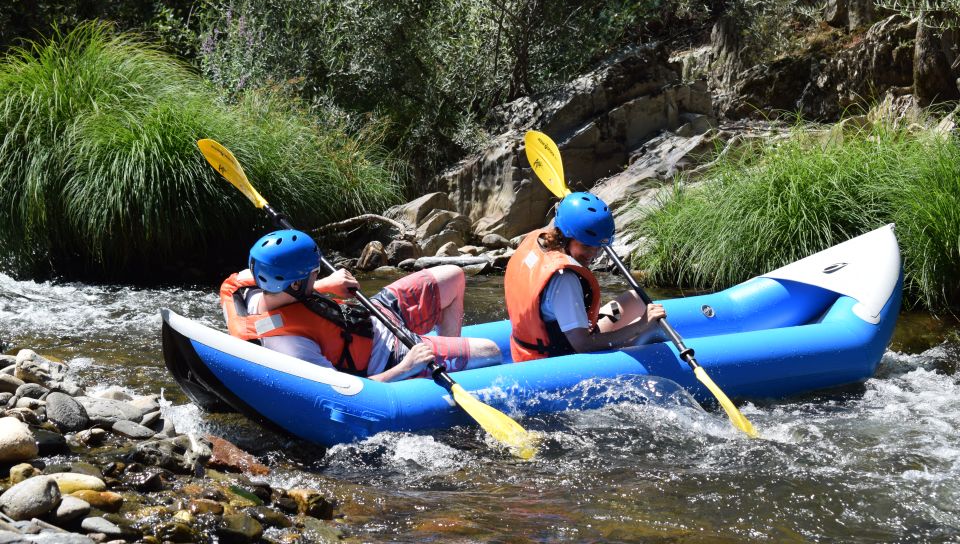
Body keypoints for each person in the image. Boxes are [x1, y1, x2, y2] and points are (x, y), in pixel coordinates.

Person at [220, 229, 501, 381]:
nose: (319, 274)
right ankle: (435, 362)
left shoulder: (250, 283)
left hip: (372, 314)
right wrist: (408, 365)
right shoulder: (290, 345)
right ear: (295, 284)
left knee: (454, 274)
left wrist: (323, 284)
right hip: (392, 356)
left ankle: (448, 355)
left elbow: (289, 295)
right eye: (315, 272)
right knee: (490, 351)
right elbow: (345, 391)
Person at [505, 191, 667, 362]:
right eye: (585, 246)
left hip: (530, 347)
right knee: (651, 329)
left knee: (636, 298)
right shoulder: (564, 279)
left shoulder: (540, 242)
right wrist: (641, 325)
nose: (593, 254)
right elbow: (583, 345)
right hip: (556, 361)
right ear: (565, 237)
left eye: (597, 247)